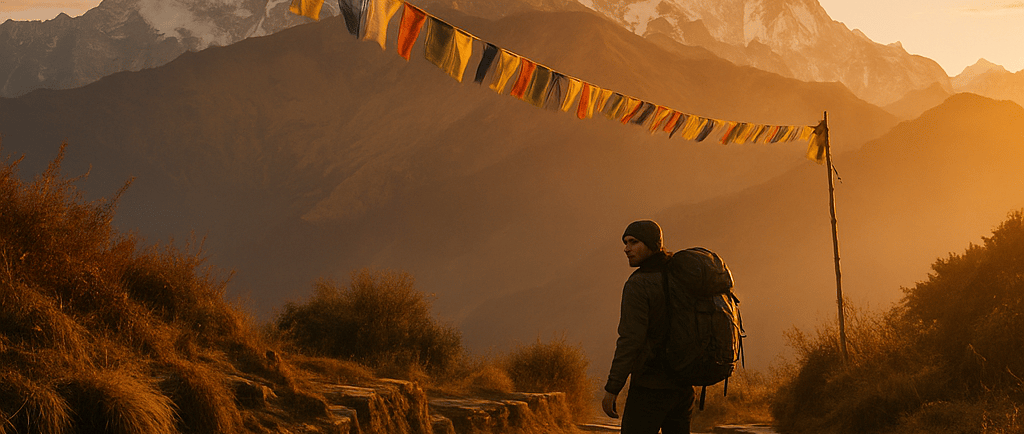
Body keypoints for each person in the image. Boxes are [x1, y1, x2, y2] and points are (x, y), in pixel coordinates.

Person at [602, 219, 695, 434]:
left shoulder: (639, 284)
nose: (627, 249)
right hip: (683, 387)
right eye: (625, 242)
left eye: (634, 242)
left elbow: (630, 341)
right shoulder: (681, 276)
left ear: (653, 244)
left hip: (650, 387)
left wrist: (612, 388)